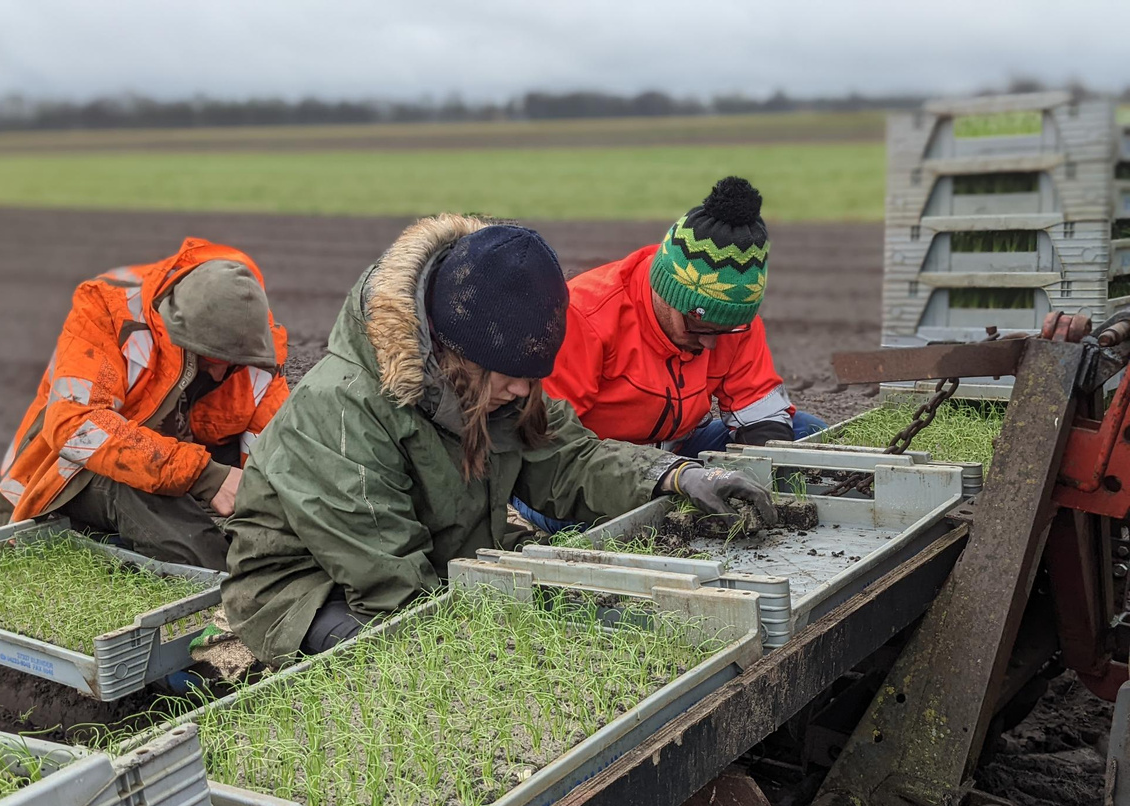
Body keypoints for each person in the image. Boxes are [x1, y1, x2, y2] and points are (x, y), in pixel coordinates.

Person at [221, 214, 777, 666]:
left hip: (442, 555)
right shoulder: (341, 413)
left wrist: (673, 476)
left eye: (531, 374)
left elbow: (568, 460)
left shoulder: (495, 383)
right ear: (450, 348)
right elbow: (389, 581)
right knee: (415, 667)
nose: (521, 389)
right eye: (508, 374)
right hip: (312, 589)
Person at [0, 237, 289, 572]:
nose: (220, 373)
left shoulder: (258, 349)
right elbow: (76, 426)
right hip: (69, 473)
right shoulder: (108, 310)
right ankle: (216, 574)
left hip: (170, 459)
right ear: (179, 332)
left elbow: (272, 451)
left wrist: (269, 519)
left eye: (232, 363)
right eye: (211, 359)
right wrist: (207, 477)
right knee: (197, 551)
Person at [543, 175, 825, 456]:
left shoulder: (733, 321)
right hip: (595, 462)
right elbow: (552, 446)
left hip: (679, 448)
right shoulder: (583, 315)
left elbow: (760, 410)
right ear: (667, 293)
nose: (710, 344)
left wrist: (770, 471)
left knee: (804, 435)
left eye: (724, 330)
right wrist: (662, 479)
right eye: (699, 327)